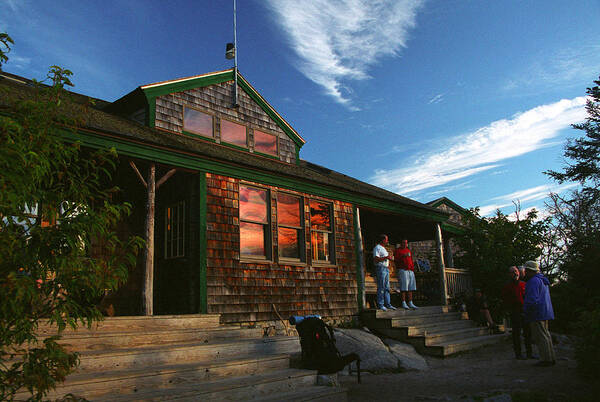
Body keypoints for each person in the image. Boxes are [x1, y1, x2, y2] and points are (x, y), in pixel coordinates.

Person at [523, 260, 556, 367]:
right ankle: (550, 357)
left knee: (540, 336)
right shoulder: (543, 280)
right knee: (546, 335)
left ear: (530, 271)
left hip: (537, 313)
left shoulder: (533, 281)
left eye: (526, 270)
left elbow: (532, 299)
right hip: (545, 311)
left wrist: (526, 311)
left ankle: (546, 359)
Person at [501, 266, 533, 359]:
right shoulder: (507, 286)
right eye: (512, 272)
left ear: (519, 273)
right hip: (514, 311)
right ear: (509, 274)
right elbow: (504, 299)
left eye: (516, 271)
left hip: (525, 310)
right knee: (516, 334)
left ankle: (529, 353)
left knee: (528, 333)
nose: (515, 273)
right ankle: (518, 354)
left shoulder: (524, 284)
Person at [372, 234, 396, 311]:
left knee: (387, 287)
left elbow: (386, 258)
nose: (387, 241)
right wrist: (385, 257)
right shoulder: (377, 248)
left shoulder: (384, 249)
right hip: (380, 268)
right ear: (382, 240)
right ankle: (381, 304)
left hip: (386, 268)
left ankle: (388, 304)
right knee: (381, 286)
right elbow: (376, 259)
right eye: (386, 239)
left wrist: (389, 258)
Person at [394, 239, 418, 310]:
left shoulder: (408, 250)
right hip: (403, 270)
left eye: (406, 243)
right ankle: (403, 302)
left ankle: (410, 302)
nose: (405, 244)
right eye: (404, 243)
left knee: (410, 287)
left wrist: (412, 268)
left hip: (410, 270)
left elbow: (410, 259)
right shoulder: (398, 251)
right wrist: (403, 256)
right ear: (401, 243)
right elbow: (396, 260)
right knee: (404, 287)